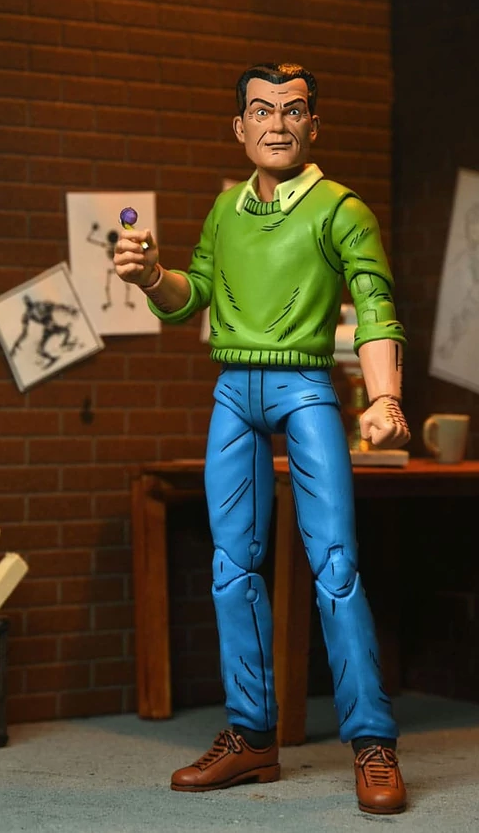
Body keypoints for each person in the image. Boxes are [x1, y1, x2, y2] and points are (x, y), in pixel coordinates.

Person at [114, 62, 410, 815]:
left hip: (306, 387)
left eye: (293, 110)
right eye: (262, 111)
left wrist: (385, 396)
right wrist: (150, 276)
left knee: (335, 564)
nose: (277, 124)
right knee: (231, 567)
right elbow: (193, 295)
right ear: (239, 127)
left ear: (314, 124)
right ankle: (251, 734)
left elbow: (375, 302)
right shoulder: (226, 210)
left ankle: (372, 741)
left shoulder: (341, 208)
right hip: (232, 392)